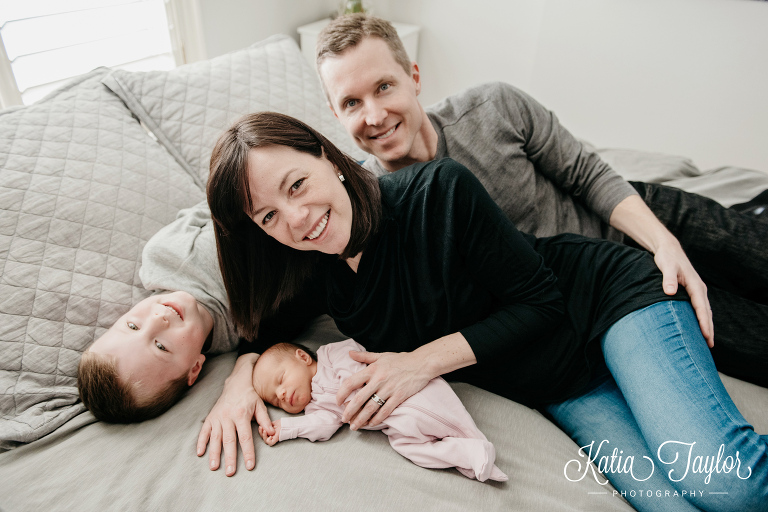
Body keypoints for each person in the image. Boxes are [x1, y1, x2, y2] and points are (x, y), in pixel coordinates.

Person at [206, 111, 767, 511]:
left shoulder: (438, 192)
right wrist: (238, 384)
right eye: (269, 218)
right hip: (561, 384)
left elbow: (541, 301)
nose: (298, 219)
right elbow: (258, 340)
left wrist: (422, 361)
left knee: (727, 486)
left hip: (605, 303)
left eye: (297, 185)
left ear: (328, 157)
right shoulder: (308, 271)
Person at [313, 13, 768, 387]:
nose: (374, 115)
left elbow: (588, 175)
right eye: (351, 103)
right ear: (335, 114)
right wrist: (246, 373)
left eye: (384, 87)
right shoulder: (365, 213)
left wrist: (665, 243)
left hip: (642, 218)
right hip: (610, 292)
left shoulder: (494, 106)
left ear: (413, 77)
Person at [252, 340, 508, 482]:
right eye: (276, 401)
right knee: (408, 448)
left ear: (303, 357)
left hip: (411, 390)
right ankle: (472, 454)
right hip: (396, 424)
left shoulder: (331, 355)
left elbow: (357, 359)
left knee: (453, 418)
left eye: (281, 380)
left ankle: (471, 440)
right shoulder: (315, 407)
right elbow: (325, 426)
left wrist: (351, 387)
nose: (282, 394)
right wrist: (286, 428)